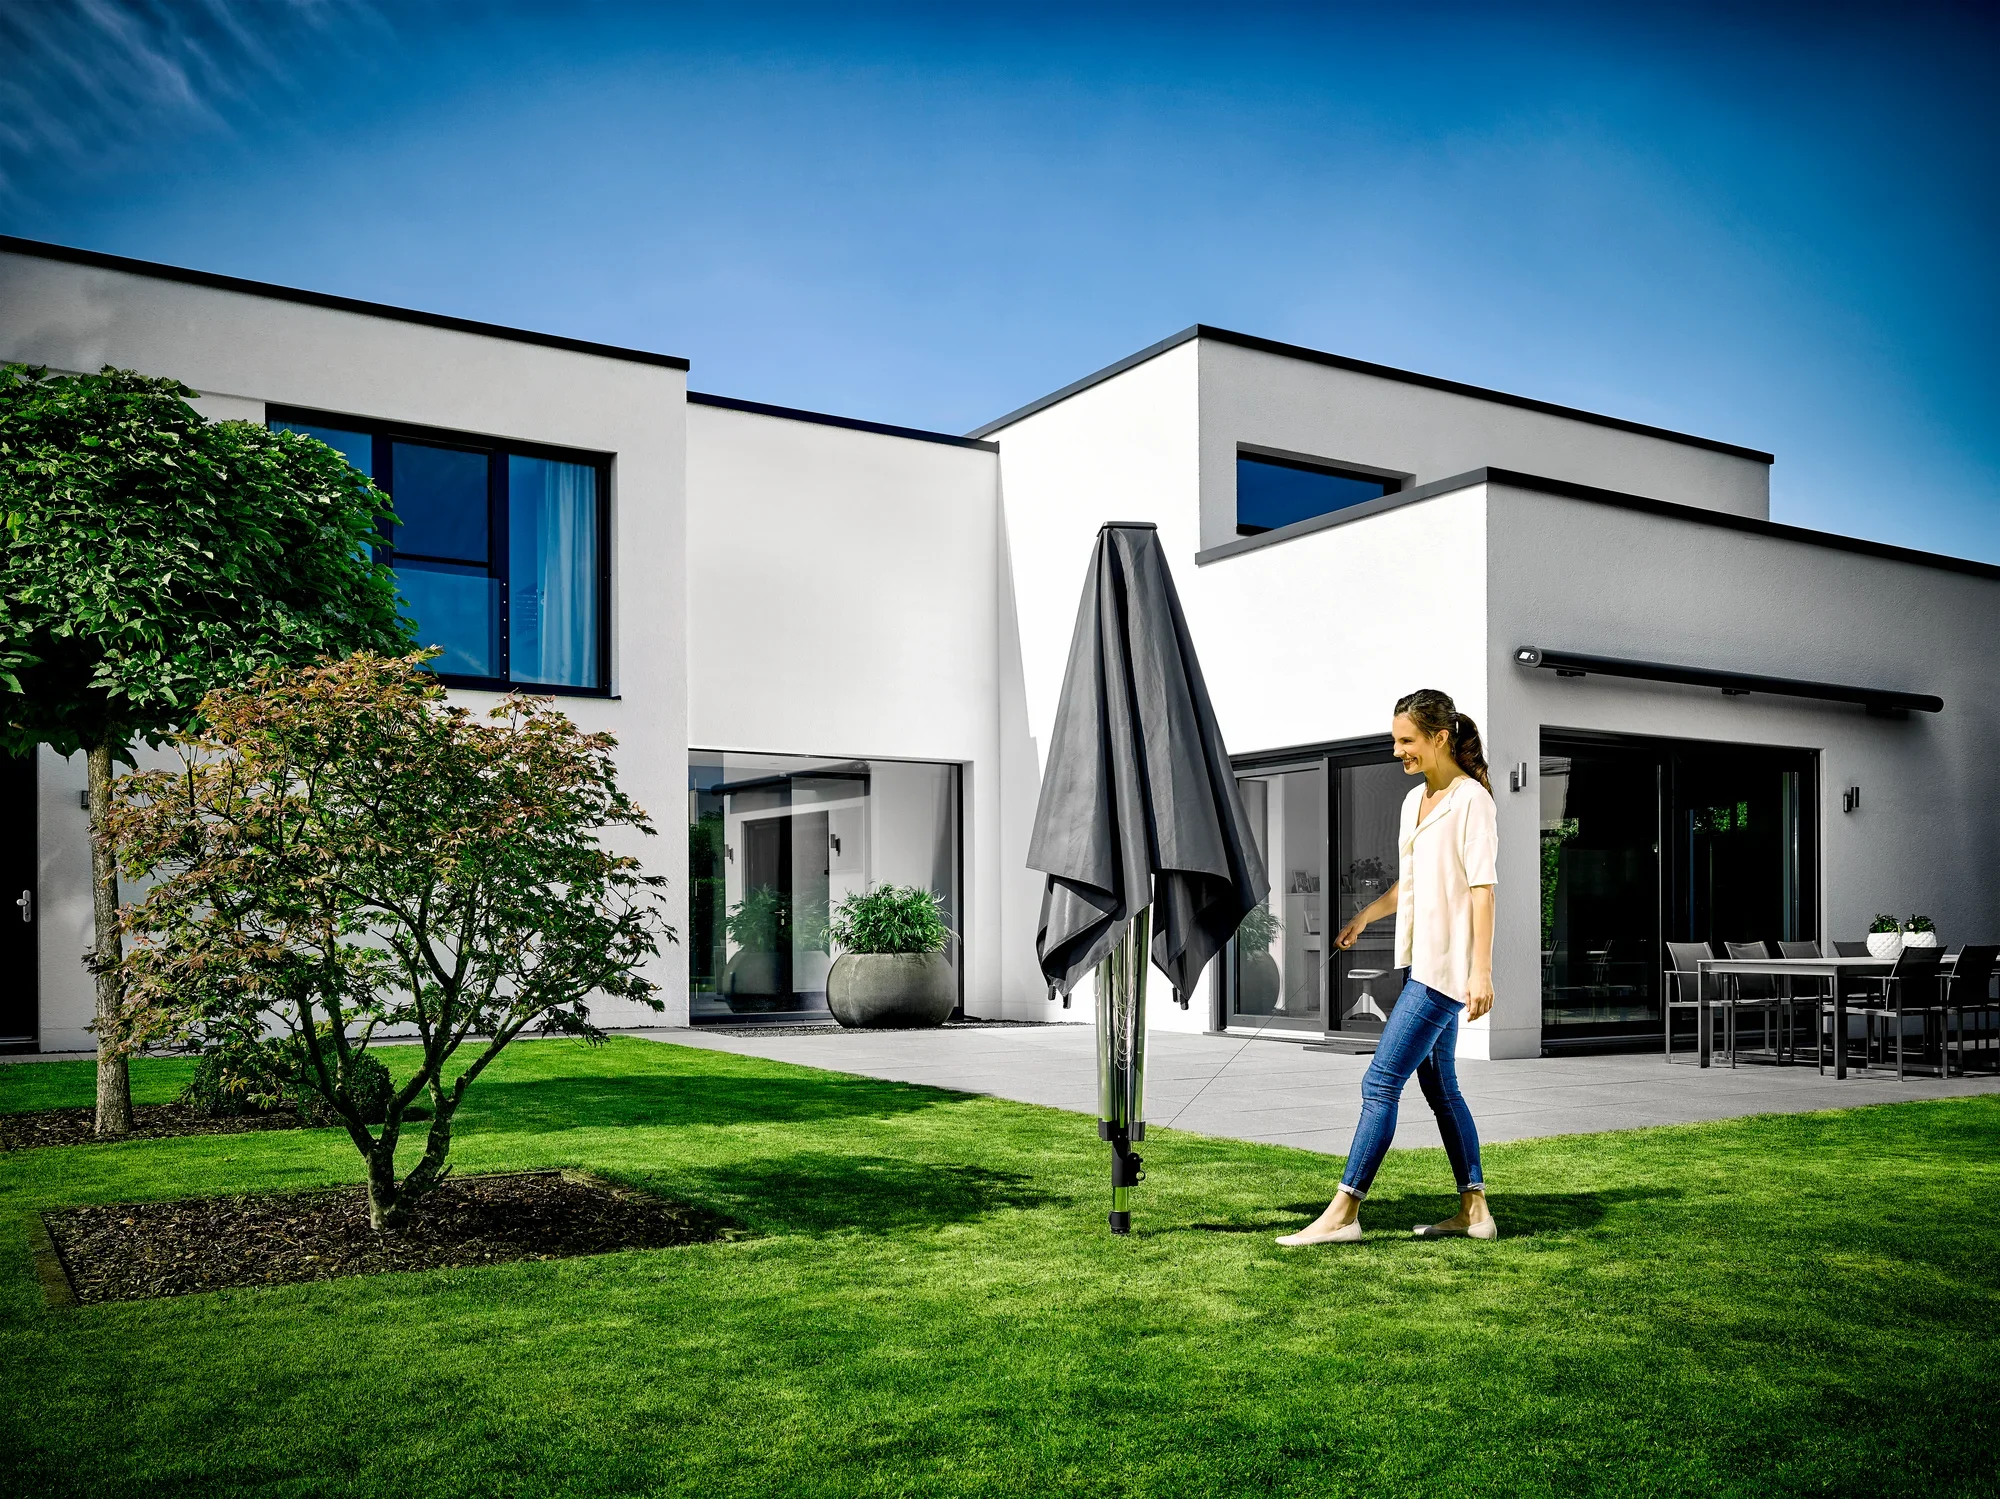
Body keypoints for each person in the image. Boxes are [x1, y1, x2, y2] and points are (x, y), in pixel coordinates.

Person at [1277, 688, 1499, 1245]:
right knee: (1441, 1086)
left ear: (1439, 737)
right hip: (1419, 963)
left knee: (1380, 1082)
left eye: (1407, 740)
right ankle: (1475, 1211)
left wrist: (1481, 972)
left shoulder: (1472, 801)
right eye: (1395, 740)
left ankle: (1344, 1213)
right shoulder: (1414, 801)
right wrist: (1363, 917)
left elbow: (1483, 890)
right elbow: (1412, 885)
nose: (1397, 751)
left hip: (1445, 971)